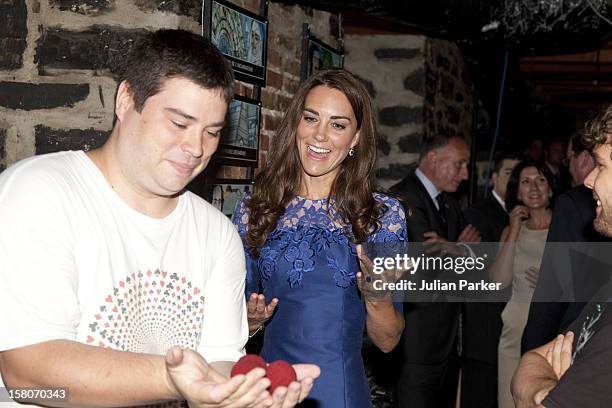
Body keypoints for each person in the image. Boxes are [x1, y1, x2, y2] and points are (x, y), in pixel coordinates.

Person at [0, 29, 318, 408]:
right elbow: (25, 376)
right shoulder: (39, 192)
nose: (196, 148)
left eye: (212, 132)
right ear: (125, 100)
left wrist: (238, 395)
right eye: (179, 124)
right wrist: (173, 378)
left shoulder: (217, 234)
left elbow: (218, 362)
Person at [232, 69, 407, 408]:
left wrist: (378, 297)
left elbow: (388, 341)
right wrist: (248, 322)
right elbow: (232, 321)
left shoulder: (382, 217)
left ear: (355, 138)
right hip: (270, 389)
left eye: (338, 125)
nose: (320, 135)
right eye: (311, 118)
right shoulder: (255, 209)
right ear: (296, 123)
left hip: (339, 393)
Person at [511, 104, 612, 408]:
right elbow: (533, 360)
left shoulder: (568, 206)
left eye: (602, 165)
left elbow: (552, 289)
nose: (590, 179)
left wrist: (536, 387)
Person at [389, 134, 481, 408]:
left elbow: (474, 261)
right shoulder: (403, 199)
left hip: (447, 344)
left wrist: (456, 250)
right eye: (460, 164)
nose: (464, 175)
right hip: (416, 345)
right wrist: (461, 250)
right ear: (433, 158)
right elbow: (420, 273)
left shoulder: (449, 204)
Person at [521, 131, 610, 353]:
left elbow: (553, 288)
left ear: (584, 158)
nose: (568, 165)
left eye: (569, 158)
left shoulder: (571, 203)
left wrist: (531, 351)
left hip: (573, 340)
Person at [489, 161, 554, 408]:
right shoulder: (511, 230)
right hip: (514, 332)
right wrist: (515, 229)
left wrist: (554, 284)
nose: (534, 188)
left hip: (552, 331)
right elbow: (498, 282)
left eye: (540, 180)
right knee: (509, 401)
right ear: (517, 192)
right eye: (526, 182)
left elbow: (586, 281)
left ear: (550, 187)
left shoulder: (564, 227)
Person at [462, 152, 519, 408]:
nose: (514, 179)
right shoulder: (478, 214)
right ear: (494, 177)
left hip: (514, 324)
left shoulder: (522, 213)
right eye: (509, 173)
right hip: (485, 325)